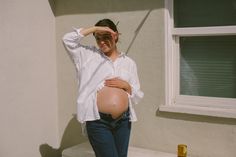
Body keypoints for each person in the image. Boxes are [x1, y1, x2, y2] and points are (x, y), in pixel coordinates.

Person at [62, 19, 143, 157]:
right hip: (98, 122)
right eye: (98, 38)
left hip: (123, 121)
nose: (101, 42)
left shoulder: (129, 63)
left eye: (106, 37)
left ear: (115, 36)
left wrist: (127, 86)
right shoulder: (87, 55)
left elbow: (137, 94)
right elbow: (67, 40)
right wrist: (94, 28)